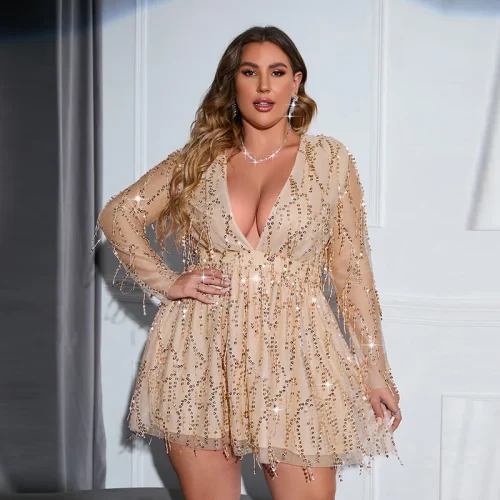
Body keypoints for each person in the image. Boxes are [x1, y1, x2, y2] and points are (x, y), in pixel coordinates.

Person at [95, 25, 402, 500]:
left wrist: (375, 370)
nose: (263, 86)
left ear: (296, 82)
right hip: (200, 350)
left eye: (277, 73)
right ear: (232, 81)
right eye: (249, 72)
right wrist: (167, 281)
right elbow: (118, 215)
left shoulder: (329, 161)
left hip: (298, 354)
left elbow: (352, 271)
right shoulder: (198, 160)